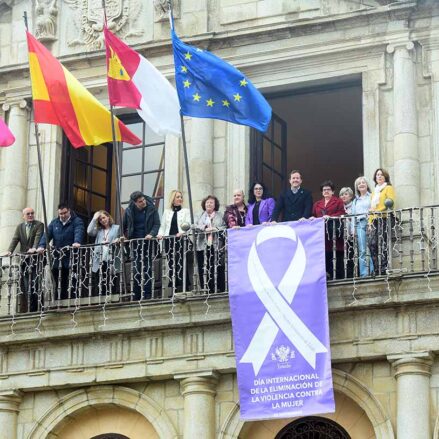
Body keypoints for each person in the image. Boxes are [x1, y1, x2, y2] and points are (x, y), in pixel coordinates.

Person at [38, 203, 84, 300]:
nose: (63, 216)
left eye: (64, 213)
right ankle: (59, 300)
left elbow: (78, 231)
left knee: (71, 280)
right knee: (59, 280)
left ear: (69, 211)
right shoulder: (54, 222)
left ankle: (71, 301)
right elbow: (47, 235)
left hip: (71, 256)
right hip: (57, 257)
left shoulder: (77, 221)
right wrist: (42, 246)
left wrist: (77, 241)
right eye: (60, 214)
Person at [123, 191, 160, 300]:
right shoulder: (129, 211)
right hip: (135, 243)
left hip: (148, 243)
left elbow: (157, 224)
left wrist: (151, 234)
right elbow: (123, 225)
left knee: (147, 268)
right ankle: (136, 294)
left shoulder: (151, 208)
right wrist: (124, 237)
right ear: (135, 203)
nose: (143, 202)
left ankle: (147, 293)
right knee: (136, 268)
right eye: (140, 201)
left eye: (143, 199)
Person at [7, 207, 44, 312]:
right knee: (27, 286)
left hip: (35, 259)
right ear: (23, 216)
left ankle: (36, 308)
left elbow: (38, 237)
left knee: (35, 284)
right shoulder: (20, 227)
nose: (31, 215)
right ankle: (29, 308)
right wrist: (9, 251)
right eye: (28, 214)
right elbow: (15, 239)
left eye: (32, 213)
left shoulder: (39, 225)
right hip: (24, 260)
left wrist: (34, 248)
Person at [157, 190, 192, 292]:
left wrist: (182, 232)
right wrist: (160, 234)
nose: (180, 199)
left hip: (181, 240)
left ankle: (184, 287)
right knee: (172, 263)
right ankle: (174, 288)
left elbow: (188, 224)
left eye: (181, 197)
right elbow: (163, 227)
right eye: (178, 197)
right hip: (169, 241)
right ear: (173, 199)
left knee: (181, 262)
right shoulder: (166, 212)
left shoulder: (185, 211)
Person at [312, 180, 345, 279]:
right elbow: (313, 215)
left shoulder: (338, 201)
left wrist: (329, 216)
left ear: (333, 191)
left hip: (334, 232)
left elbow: (342, 212)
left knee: (337, 255)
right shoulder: (317, 204)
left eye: (328, 189)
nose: (326, 191)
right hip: (322, 235)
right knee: (325, 256)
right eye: (324, 190)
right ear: (322, 192)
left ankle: (338, 277)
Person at [195, 195, 225, 293]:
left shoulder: (220, 215)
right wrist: (204, 227)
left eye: (211, 202)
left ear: (215, 205)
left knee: (215, 266)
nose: (209, 204)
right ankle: (205, 288)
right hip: (202, 245)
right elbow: (194, 226)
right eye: (207, 202)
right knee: (203, 267)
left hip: (216, 245)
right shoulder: (200, 215)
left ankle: (215, 288)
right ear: (204, 204)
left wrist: (214, 229)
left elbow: (224, 227)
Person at [369, 168, 396, 275]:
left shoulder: (388, 188)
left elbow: (390, 203)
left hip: (385, 218)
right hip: (375, 220)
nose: (379, 176)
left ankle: (383, 267)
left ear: (385, 177)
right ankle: (377, 267)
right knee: (372, 244)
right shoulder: (374, 192)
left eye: (381, 175)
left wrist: (376, 211)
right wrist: (370, 222)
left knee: (383, 242)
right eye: (377, 175)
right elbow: (371, 209)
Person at [87, 210, 120, 296]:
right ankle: (100, 299)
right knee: (100, 280)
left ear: (108, 217)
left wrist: (117, 240)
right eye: (100, 219)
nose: (103, 220)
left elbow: (122, 238)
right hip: (100, 258)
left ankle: (111, 298)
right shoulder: (98, 230)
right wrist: (94, 218)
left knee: (111, 279)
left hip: (111, 257)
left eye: (104, 218)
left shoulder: (117, 228)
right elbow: (89, 232)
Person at [352, 176, 374, 277]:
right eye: (359, 183)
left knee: (372, 247)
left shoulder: (372, 196)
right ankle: (365, 273)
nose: (361, 184)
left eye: (363, 182)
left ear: (367, 185)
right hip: (360, 224)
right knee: (363, 250)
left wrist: (371, 222)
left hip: (370, 223)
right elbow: (353, 216)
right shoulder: (355, 201)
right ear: (357, 187)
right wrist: (353, 230)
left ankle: (373, 270)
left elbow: (374, 209)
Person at [339, 187, 355, 278]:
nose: (343, 196)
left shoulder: (354, 205)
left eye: (345, 194)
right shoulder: (340, 207)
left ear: (351, 196)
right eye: (341, 194)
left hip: (352, 235)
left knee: (352, 255)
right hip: (342, 236)